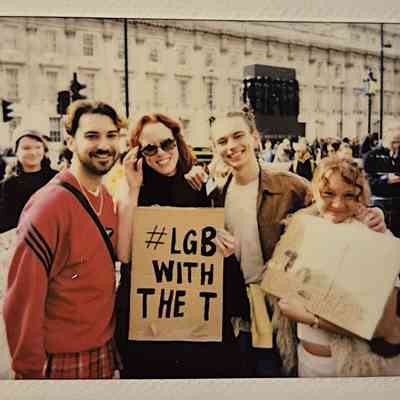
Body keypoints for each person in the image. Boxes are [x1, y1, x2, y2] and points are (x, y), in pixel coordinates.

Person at [187, 110, 386, 377]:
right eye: (222, 141)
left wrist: (371, 215)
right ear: (214, 148)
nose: (231, 146)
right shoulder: (215, 195)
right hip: (238, 310)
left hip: (284, 309)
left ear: (255, 137)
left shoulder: (292, 186)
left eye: (238, 136)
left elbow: (337, 210)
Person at [116, 113, 249, 379]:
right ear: (138, 152)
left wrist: (222, 244)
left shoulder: (196, 182)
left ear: (177, 141)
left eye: (167, 143)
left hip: (197, 316)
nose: (161, 153)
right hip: (152, 320)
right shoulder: (131, 189)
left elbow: (209, 242)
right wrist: (131, 190)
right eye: (150, 148)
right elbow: (124, 254)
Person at [3, 100, 127, 379]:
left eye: (111, 135)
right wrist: (29, 373)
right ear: (70, 141)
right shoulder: (49, 205)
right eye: (92, 136)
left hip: (102, 348)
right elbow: (21, 300)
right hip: (59, 358)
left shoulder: (106, 197)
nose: (104, 145)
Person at [277, 157, 400, 377]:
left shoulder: (377, 238)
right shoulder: (301, 230)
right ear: (315, 193)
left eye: (349, 195)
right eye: (329, 194)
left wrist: (310, 318)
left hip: (352, 368)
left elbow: (383, 326)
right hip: (306, 362)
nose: (338, 204)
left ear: (361, 197)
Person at [0, 130, 58, 233]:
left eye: (38, 147)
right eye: (26, 148)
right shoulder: (7, 185)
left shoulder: (57, 179)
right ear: (16, 152)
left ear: (44, 150)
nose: (33, 152)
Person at [364, 125, 400, 198]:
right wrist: (386, 179)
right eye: (393, 142)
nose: (396, 146)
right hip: (379, 199)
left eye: (399, 142)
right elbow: (366, 182)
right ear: (385, 138)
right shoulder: (372, 155)